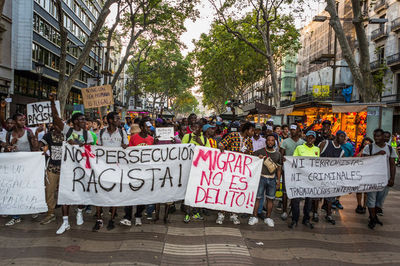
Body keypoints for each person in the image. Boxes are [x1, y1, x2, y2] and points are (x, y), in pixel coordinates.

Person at [50, 95, 94, 234]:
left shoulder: (88, 135)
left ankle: (79, 212)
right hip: (68, 169)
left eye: (85, 119)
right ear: (75, 121)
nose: (84, 121)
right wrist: (52, 102)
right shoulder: (68, 131)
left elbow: (94, 151)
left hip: (82, 169)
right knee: (65, 194)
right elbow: (56, 119)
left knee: (81, 193)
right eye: (81, 119)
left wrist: (81, 145)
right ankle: (65, 222)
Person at [93, 112, 129, 232]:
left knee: (114, 193)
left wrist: (125, 146)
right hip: (102, 168)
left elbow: (127, 149)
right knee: (100, 192)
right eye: (117, 118)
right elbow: (97, 148)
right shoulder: (101, 132)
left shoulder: (122, 132)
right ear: (110, 120)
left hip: (117, 168)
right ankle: (99, 219)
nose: (119, 120)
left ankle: (112, 219)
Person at [4, 113, 39, 226]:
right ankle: (16, 216)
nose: (23, 122)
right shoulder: (9, 134)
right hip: (15, 166)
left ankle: (32, 208)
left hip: (28, 165)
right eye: (20, 120)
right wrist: (10, 146)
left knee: (28, 188)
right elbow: (7, 151)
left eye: (23, 120)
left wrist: (36, 136)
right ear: (14, 122)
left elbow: (34, 148)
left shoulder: (28, 132)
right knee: (15, 190)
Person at [217, 122, 255, 225]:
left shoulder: (249, 141)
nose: (253, 132)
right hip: (229, 170)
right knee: (225, 190)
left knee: (236, 191)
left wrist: (249, 154)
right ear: (246, 130)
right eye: (252, 130)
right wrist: (221, 147)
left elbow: (251, 153)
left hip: (241, 171)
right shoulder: (233, 135)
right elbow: (221, 144)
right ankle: (221, 213)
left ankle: (233, 214)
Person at [121, 119, 154, 227]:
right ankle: (127, 217)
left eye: (149, 127)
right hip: (133, 170)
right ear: (141, 127)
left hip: (146, 171)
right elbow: (129, 152)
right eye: (145, 126)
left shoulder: (151, 139)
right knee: (130, 194)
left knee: (142, 194)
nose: (147, 129)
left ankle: (138, 215)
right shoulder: (134, 138)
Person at [362, 128, 397, 229]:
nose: (376, 138)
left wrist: (392, 179)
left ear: (382, 136)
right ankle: (372, 219)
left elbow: (392, 165)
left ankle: (374, 215)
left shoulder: (390, 149)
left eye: (378, 136)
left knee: (380, 201)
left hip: (384, 179)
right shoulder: (369, 148)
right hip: (372, 179)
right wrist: (377, 155)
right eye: (375, 136)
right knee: (371, 199)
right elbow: (364, 160)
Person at [289, 130, 320, 229]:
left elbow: (317, 163)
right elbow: (294, 161)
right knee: (296, 200)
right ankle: (295, 220)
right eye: (309, 137)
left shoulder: (317, 149)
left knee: (309, 201)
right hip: (299, 178)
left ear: (314, 139)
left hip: (310, 179)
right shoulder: (299, 147)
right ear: (305, 137)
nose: (310, 139)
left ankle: (306, 219)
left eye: (312, 137)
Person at [249, 134, 282, 227]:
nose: (270, 142)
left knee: (270, 199)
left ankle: (268, 218)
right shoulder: (259, 151)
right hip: (261, 178)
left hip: (272, 179)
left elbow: (279, 169)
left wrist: (278, 181)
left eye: (272, 140)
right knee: (257, 198)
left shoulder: (278, 154)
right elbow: (250, 158)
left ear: (274, 142)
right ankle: (254, 217)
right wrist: (257, 158)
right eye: (268, 140)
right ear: (266, 141)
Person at [182, 121, 211, 222]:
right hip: (188, 168)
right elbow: (181, 151)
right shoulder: (187, 137)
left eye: (198, 127)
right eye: (194, 127)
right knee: (187, 192)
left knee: (198, 191)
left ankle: (197, 212)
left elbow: (208, 154)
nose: (196, 129)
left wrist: (200, 143)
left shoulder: (205, 139)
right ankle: (187, 213)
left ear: (201, 129)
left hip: (199, 170)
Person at [317, 130, 346, 225]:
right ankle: (314, 213)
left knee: (330, 197)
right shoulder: (325, 143)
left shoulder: (342, 151)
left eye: (344, 137)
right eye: (341, 136)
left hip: (331, 177)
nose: (343, 138)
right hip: (319, 175)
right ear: (336, 136)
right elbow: (316, 155)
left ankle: (328, 214)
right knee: (317, 196)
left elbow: (342, 165)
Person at [39, 124, 64, 225]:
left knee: (65, 191)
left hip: (65, 169)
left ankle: (66, 216)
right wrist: (43, 149)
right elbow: (39, 146)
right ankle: (50, 213)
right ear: (53, 124)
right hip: (52, 168)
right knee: (49, 191)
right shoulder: (48, 136)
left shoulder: (67, 135)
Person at [279, 123, 305, 221]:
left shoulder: (303, 143)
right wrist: (283, 161)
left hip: (298, 171)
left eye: (294, 129)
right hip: (287, 170)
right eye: (291, 129)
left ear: (298, 131)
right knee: (285, 192)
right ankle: (284, 211)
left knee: (296, 191)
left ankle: (294, 210)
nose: (293, 131)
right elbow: (281, 155)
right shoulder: (285, 142)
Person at [354, 137, 372, 214]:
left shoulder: (372, 151)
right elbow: (356, 157)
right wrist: (362, 150)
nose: (366, 145)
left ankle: (365, 206)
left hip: (368, 172)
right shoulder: (359, 149)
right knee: (359, 190)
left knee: (366, 191)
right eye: (365, 143)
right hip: (360, 172)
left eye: (368, 144)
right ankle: (359, 205)